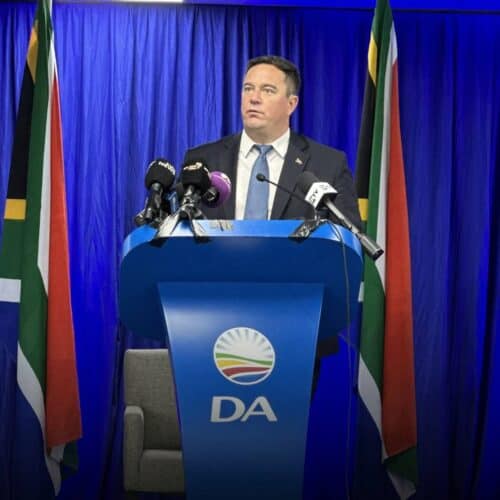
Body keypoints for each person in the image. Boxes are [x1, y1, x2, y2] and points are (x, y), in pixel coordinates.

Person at [183, 55, 361, 393]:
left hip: (295, 322)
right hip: (211, 321)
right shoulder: (203, 161)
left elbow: (347, 237)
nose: (253, 98)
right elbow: (182, 235)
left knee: (283, 424)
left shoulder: (326, 163)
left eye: (267, 90)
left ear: (291, 103)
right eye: (248, 88)